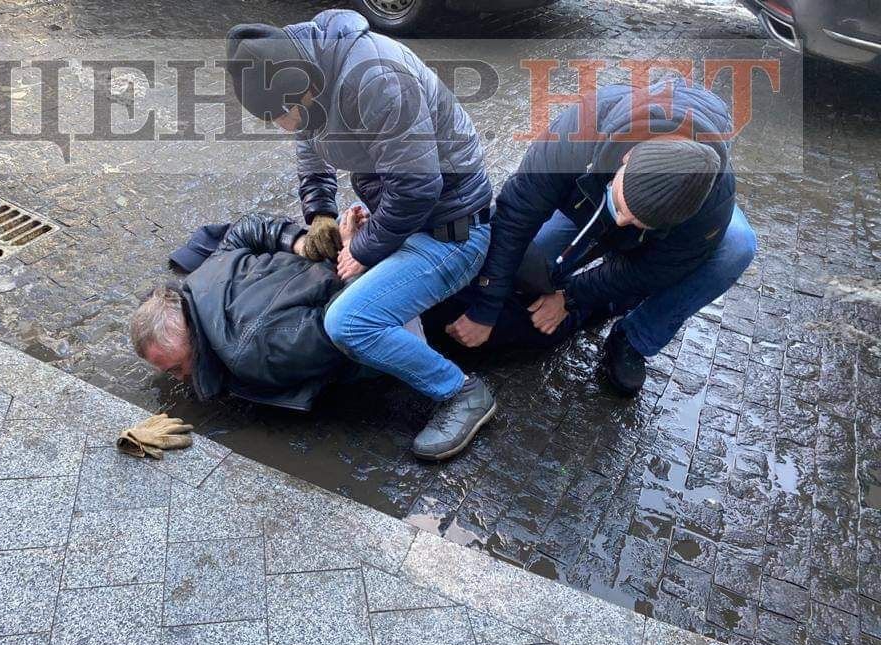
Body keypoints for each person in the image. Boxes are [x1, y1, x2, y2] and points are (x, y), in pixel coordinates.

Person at [224, 8, 496, 460]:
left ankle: (461, 392)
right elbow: (309, 147)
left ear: (304, 87)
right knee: (340, 280)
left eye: (282, 113)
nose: (282, 125)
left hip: (453, 232)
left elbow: (417, 187)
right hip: (406, 216)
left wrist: (366, 249)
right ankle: (406, 342)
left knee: (347, 323)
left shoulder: (378, 79)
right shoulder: (307, 68)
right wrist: (320, 214)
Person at [444, 81, 758, 395]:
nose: (621, 222)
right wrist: (487, 305)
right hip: (588, 196)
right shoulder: (582, 128)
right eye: (620, 207)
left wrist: (569, 298)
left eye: (637, 222)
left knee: (737, 247)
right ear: (628, 156)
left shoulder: (711, 206)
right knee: (527, 263)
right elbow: (517, 213)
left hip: (672, 222)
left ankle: (633, 338)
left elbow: (656, 269)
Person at [130, 208, 366, 412]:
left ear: (188, 335)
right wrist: (300, 243)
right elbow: (244, 228)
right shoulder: (203, 276)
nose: (180, 379)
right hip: (345, 248)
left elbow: (350, 326)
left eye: (176, 369)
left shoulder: (254, 353)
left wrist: (352, 254)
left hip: (367, 287)